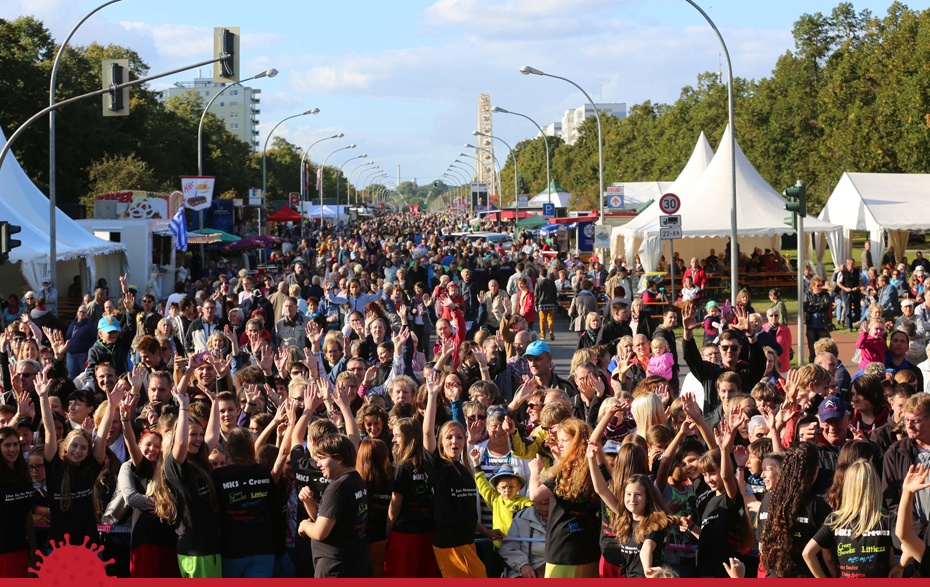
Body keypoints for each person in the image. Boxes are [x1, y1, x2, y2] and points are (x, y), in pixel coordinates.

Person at [36, 366, 121, 547]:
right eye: (74, 446)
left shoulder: (90, 467)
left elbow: (103, 434)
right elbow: (50, 430)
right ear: (65, 447)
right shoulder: (54, 466)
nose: (78, 451)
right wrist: (43, 396)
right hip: (58, 546)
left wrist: (112, 406)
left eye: (83, 448)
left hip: (88, 545)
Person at [421, 370, 486, 578]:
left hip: (468, 542)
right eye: (449, 438)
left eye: (459, 437)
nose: (454, 442)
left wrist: (485, 531)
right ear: (441, 442)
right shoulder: (439, 466)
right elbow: (428, 432)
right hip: (449, 545)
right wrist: (432, 396)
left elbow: (465, 511)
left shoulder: (466, 468)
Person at [531, 418, 601, 578]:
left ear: (578, 443)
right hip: (590, 549)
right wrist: (560, 458)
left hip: (563, 549)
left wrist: (535, 471)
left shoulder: (564, 471)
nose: (560, 444)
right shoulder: (594, 468)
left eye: (564, 441)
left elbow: (535, 495)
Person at [803, 460, 895, 578]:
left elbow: (808, 553)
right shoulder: (887, 518)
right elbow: (907, 550)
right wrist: (900, 567)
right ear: (875, 485)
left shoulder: (835, 519)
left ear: (848, 487)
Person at [297, 433, 372, 578]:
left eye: (322, 458)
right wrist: (308, 501)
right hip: (355, 562)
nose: (318, 464)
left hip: (336, 568)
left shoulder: (338, 487)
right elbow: (328, 517)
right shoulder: (355, 478)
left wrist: (305, 526)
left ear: (339, 458)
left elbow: (320, 532)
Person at [758, 443, 830, 578]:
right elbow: (829, 557)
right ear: (814, 470)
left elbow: (762, 548)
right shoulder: (817, 506)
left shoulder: (768, 500)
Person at [0, 426, 35, 578]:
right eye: (7, 445)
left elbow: (27, 516)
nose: (13, 449)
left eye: (15, 444)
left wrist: (33, 549)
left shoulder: (24, 476)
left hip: (20, 548)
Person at [803, 276, 833, 359]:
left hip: (823, 326)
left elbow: (827, 305)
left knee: (824, 350)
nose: (820, 287)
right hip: (811, 326)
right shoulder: (808, 295)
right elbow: (806, 307)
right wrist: (819, 306)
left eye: (821, 285)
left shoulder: (825, 294)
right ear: (813, 286)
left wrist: (814, 305)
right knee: (812, 350)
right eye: (818, 285)